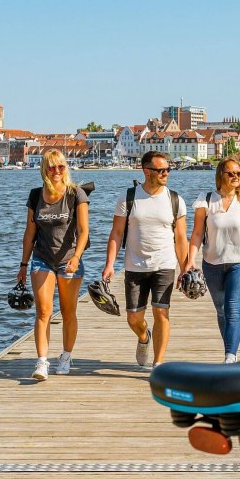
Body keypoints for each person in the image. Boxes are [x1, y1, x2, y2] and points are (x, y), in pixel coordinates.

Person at [102, 151, 188, 368]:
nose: (166, 173)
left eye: (168, 169)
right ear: (146, 171)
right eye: (161, 170)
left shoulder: (175, 200)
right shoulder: (128, 198)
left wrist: (186, 268)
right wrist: (110, 264)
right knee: (133, 318)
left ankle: (158, 364)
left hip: (165, 265)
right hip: (135, 266)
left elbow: (180, 238)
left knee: (161, 312)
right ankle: (143, 337)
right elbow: (116, 234)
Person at [182, 157, 240, 363]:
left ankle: (230, 357)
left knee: (232, 308)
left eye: (239, 173)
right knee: (221, 310)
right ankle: (230, 350)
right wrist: (189, 261)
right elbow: (196, 234)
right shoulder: (206, 200)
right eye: (231, 173)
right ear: (221, 175)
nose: (236, 177)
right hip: (212, 264)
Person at [17, 149, 89, 380]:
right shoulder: (36, 195)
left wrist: (76, 257)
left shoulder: (75, 194)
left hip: (69, 259)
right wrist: (23, 264)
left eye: (60, 166)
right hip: (42, 258)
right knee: (43, 311)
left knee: (68, 312)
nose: (57, 171)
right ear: (44, 169)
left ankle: (66, 357)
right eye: (51, 167)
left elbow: (83, 231)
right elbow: (29, 234)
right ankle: (41, 362)